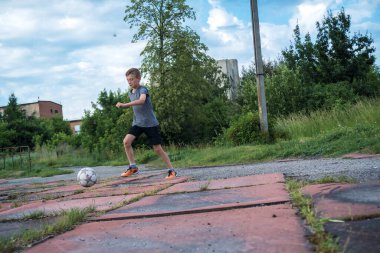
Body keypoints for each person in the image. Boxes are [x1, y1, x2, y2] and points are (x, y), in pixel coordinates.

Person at [116, 68, 177, 179]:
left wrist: (125, 105)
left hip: (150, 124)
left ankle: (171, 170)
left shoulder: (143, 89)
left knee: (158, 149)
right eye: (128, 80)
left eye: (132, 79)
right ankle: (133, 167)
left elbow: (142, 100)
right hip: (138, 123)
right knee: (126, 142)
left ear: (138, 78)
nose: (130, 82)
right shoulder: (130, 92)